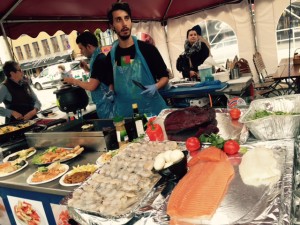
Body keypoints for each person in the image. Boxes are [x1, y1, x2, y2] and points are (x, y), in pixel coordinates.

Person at [106, 2, 169, 117]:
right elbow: (112, 81)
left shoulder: (148, 49)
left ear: (131, 21)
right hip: (126, 114)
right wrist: (110, 91)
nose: (124, 23)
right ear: (112, 25)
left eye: (126, 18)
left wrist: (155, 86)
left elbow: (164, 77)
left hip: (151, 111)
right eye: (118, 20)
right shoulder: (112, 56)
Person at [63, 31, 114, 119]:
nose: (81, 52)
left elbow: (91, 86)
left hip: (108, 107)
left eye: (81, 48)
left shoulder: (99, 60)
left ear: (89, 46)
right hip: (106, 105)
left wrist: (74, 81)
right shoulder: (99, 57)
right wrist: (87, 69)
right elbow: (100, 77)